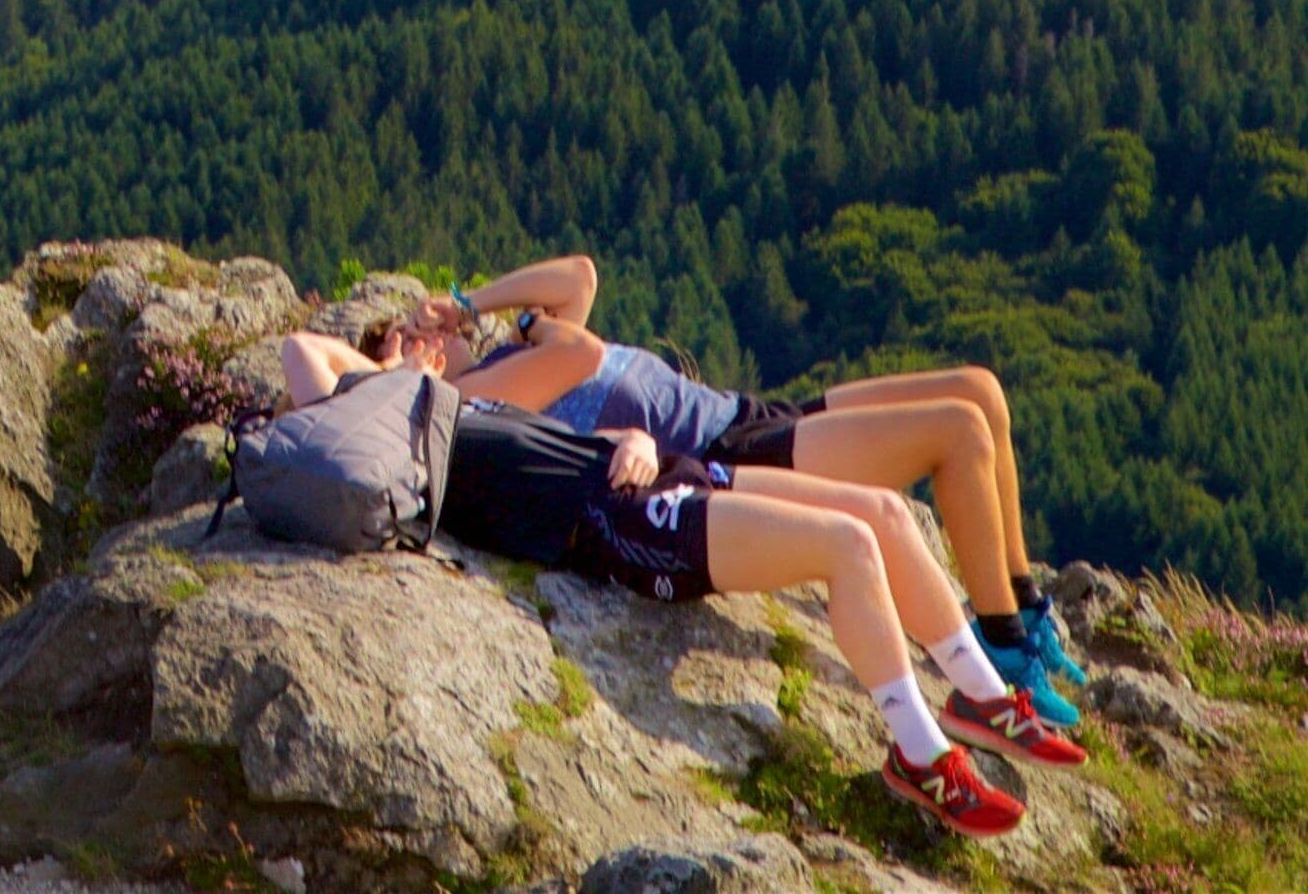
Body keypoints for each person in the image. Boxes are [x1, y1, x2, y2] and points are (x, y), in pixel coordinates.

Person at [284, 328, 1079, 838]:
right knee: (845, 546)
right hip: (618, 523)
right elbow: (301, 352)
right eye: (405, 346)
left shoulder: (470, 401)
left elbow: (564, 398)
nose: (427, 346)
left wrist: (627, 435)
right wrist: (388, 370)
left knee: (884, 516)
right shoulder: (399, 434)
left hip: (653, 468)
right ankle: (921, 754)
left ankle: (979, 692)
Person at [401, 253, 1087, 726]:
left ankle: (1024, 609)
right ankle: (1000, 646)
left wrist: (466, 304)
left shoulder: (498, 358)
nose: (422, 331)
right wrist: (516, 326)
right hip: (723, 451)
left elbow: (579, 273)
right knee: (959, 432)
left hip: (742, 411)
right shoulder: (470, 394)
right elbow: (576, 350)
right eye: (403, 336)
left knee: (980, 391)